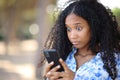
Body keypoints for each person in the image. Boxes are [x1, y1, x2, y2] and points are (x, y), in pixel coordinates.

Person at [43, 0, 120, 80]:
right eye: (69, 29)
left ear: (95, 27)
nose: (72, 36)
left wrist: (75, 78)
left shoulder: (114, 61)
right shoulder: (64, 57)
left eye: (78, 28)